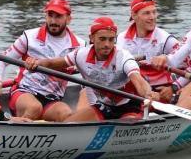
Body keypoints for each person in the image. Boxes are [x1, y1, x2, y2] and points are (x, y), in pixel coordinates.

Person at [24, 16, 159, 121]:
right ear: (92, 38)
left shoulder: (123, 58)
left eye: (111, 39)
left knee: (122, 126)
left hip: (129, 107)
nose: (107, 44)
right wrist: (36, 63)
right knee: (69, 125)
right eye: (102, 39)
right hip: (104, 106)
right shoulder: (80, 54)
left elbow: (138, 80)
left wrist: (147, 93)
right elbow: (52, 63)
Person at [0, 0, 84, 121]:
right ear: (45, 16)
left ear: (68, 19)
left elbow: (89, 74)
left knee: (66, 114)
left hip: (53, 100)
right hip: (24, 92)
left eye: (58, 16)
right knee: (34, 108)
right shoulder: (29, 37)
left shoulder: (80, 46)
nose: (53, 21)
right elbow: (1, 61)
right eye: (50, 15)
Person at [117, 0, 183, 103]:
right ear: (134, 15)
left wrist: (174, 87)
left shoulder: (165, 39)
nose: (152, 17)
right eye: (147, 13)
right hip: (135, 88)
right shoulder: (121, 38)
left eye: (154, 12)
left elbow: (190, 63)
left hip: (160, 90)